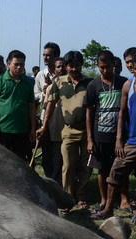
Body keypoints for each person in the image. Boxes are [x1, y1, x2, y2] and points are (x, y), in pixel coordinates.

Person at [90, 51, 136, 220]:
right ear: (132, 69)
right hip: (132, 140)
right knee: (115, 172)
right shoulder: (128, 85)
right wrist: (119, 140)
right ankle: (108, 208)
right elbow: (122, 114)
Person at [39, 50, 92, 210]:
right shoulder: (59, 82)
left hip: (87, 132)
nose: (74, 69)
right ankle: (67, 199)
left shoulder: (89, 84)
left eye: (77, 66)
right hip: (68, 131)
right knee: (67, 166)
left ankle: (81, 197)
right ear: (66, 67)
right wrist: (44, 126)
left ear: (81, 66)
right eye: (71, 66)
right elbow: (50, 105)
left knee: (86, 167)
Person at [85, 50, 128, 214]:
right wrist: (90, 139)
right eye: (102, 67)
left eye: (108, 66)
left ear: (114, 65)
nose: (105, 70)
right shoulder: (93, 85)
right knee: (102, 169)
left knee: (121, 167)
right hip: (100, 134)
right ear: (97, 67)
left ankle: (123, 199)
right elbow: (88, 112)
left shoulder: (123, 83)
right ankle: (104, 200)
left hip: (120, 135)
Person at [0, 50, 35, 161]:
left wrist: (32, 128)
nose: (19, 67)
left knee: (20, 162)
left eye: (22, 64)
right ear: (8, 64)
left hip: (22, 131)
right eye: (16, 64)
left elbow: (31, 107)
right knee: (3, 162)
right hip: (3, 130)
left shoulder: (28, 84)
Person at [35, 42, 61, 179]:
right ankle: (49, 179)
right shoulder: (41, 75)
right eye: (44, 55)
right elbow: (36, 95)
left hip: (60, 119)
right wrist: (46, 92)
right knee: (46, 153)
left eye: (49, 55)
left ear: (56, 56)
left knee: (59, 154)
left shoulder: (63, 75)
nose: (45, 58)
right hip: (45, 118)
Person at [40, 57, 67, 185]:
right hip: (53, 127)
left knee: (63, 161)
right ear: (54, 70)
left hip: (66, 128)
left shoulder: (71, 84)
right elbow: (46, 108)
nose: (61, 69)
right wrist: (44, 126)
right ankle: (53, 184)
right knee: (53, 160)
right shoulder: (51, 87)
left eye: (63, 66)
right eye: (58, 67)